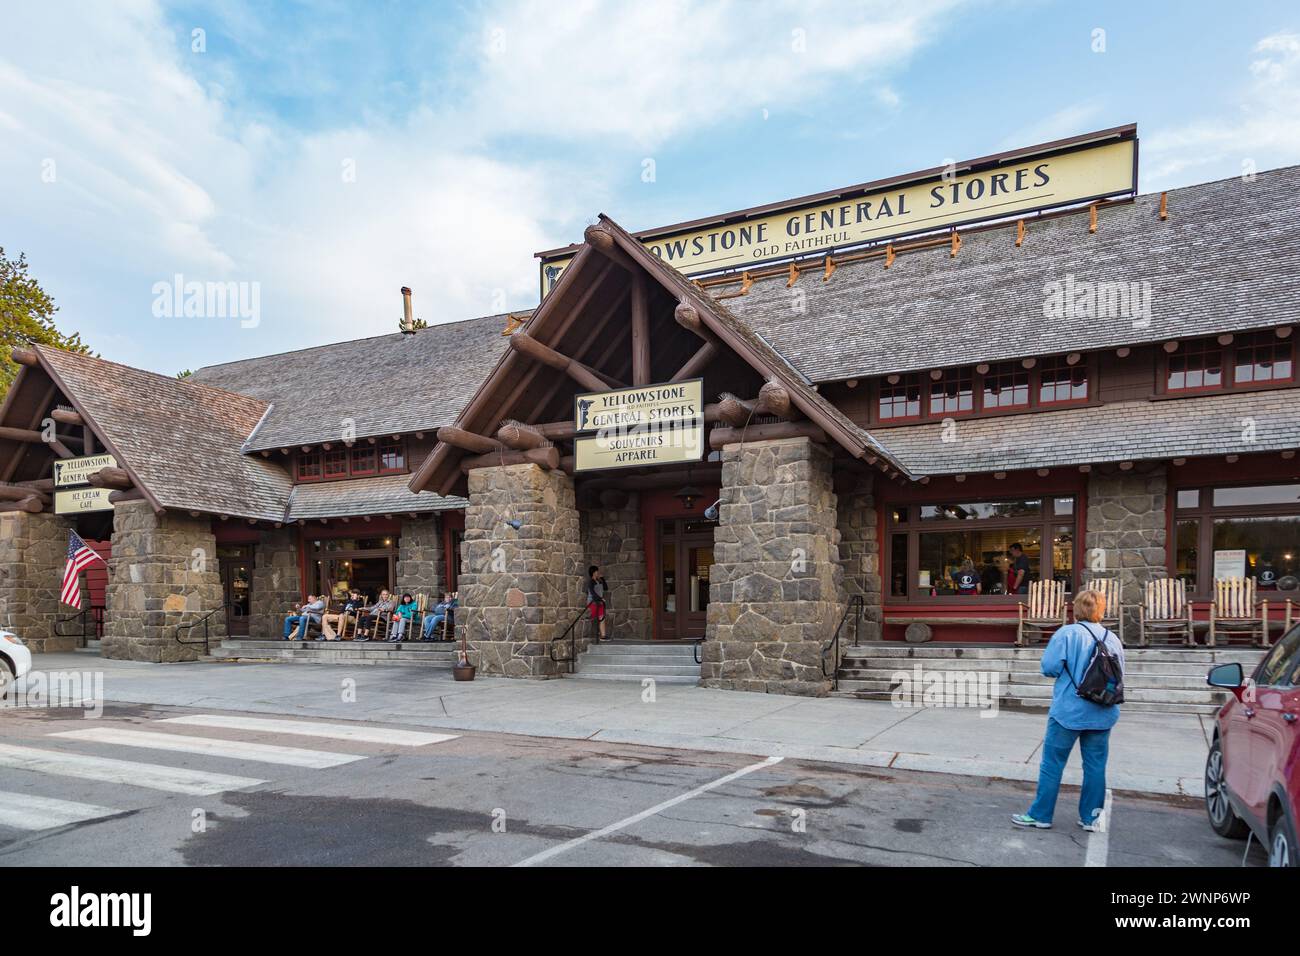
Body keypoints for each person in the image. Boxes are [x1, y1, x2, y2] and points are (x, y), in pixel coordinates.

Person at [1012, 588, 1124, 831]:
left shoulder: (1067, 633)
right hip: (1102, 711)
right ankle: (1091, 818)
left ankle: (1041, 815)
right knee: (1095, 765)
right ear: (1101, 610)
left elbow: (1049, 667)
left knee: (1052, 763)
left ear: (1077, 609)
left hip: (1069, 710)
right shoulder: (1112, 638)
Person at [586, 565, 608, 641]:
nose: (598, 572)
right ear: (594, 572)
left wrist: (602, 579)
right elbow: (593, 593)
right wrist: (601, 598)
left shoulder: (599, 581)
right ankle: (588, 637)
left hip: (600, 602)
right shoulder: (591, 582)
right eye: (597, 571)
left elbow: (605, 588)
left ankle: (603, 636)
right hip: (593, 603)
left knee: (602, 618)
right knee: (590, 619)